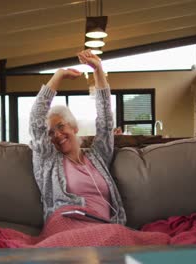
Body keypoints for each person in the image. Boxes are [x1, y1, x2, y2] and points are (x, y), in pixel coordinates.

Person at [29, 49, 126, 225]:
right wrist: (58, 76)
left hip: (104, 229)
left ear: (74, 127)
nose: (57, 135)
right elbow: (36, 119)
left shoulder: (98, 156)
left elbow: (105, 121)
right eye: (50, 132)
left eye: (61, 127)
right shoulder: (47, 160)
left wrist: (98, 70)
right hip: (66, 226)